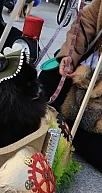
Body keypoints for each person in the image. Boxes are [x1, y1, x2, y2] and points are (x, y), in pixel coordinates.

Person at [39, 0, 102, 172]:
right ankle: (65, 126)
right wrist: (69, 56)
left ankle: (69, 131)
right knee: (49, 77)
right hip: (88, 71)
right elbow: (85, 22)